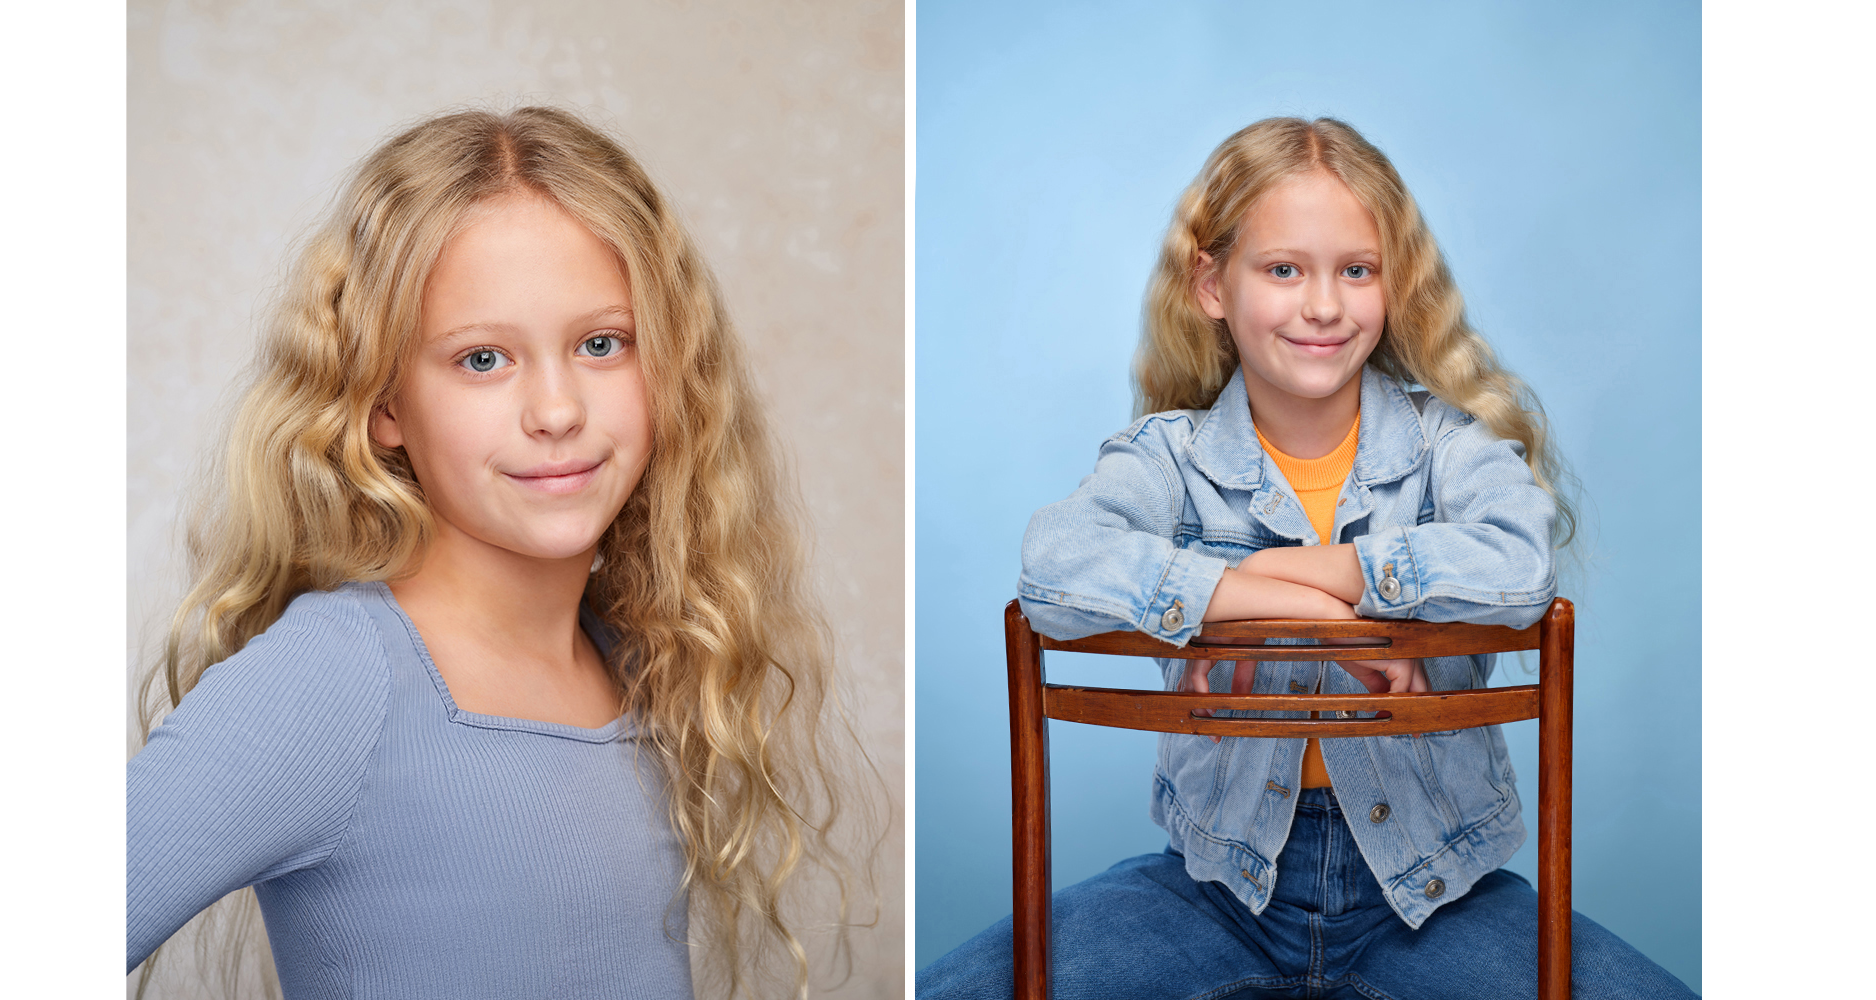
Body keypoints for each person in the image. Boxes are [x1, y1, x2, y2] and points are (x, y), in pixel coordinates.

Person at [917, 118, 1695, 998]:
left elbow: (1521, 567)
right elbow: (1055, 567)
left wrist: (1318, 580)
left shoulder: (1451, 446)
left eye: (1356, 270)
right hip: (1214, 892)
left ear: (1393, 284)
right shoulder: (1166, 457)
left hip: (1438, 892)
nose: (1323, 305)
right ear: (1211, 283)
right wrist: (1292, 608)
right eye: (1284, 269)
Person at [128, 106, 869, 1000]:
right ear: (384, 402)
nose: (555, 411)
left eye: (603, 344)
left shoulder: (636, 661)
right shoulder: (332, 679)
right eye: (483, 360)